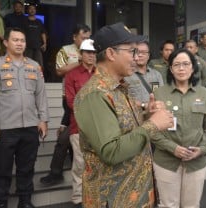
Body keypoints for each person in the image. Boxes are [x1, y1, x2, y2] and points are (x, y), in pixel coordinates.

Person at [73, 22, 174, 208]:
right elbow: (111, 151)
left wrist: (147, 116)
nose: (136, 58)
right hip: (113, 199)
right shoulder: (95, 95)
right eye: (131, 51)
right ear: (111, 53)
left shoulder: (120, 88)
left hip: (135, 196)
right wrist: (153, 125)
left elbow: (126, 129)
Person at [0, 27, 49, 208]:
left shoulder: (34, 66)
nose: (20, 43)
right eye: (15, 40)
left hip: (29, 127)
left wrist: (43, 119)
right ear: (6, 43)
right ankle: (1, 203)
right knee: (2, 170)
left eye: (22, 40)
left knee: (26, 169)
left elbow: (41, 96)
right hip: (4, 129)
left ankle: (25, 202)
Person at [152, 48, 206, 208]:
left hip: (196, 162)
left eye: (186, 64)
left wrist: (202, 149)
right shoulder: (159, 93)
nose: (181, 68)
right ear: (171, 69)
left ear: (193, 68)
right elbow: (152, 129)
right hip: (166, 162)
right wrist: (172, 148)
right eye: (177, 65)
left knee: (192, 205)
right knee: (168, 205)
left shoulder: (204, 93)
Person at [39, 24, 91, 186]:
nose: (86, 41)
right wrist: (80, 62)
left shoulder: (93, 50)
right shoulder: (65, 50)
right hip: (69, 97)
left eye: (88, 38)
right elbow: (59, 71)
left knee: (65, 135)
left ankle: (58, 170)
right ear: (74, 37)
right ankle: (57, 171)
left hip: (90, 102)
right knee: (67, 135)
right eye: (83, 38)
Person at [64, 38, 96, 208]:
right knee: (80, 165)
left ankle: (94, 198)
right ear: (81, 54)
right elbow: (71, 102)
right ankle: (78, 199)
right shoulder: (72, 75)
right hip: (79, 127)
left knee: (98, 164)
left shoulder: (101, 74)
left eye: (93, 52)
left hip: (101, 128)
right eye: (87, 52)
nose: (91, 56)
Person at [24, 3, 47, 68]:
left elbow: (43, 33)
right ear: (28, 10)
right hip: (27, 47)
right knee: (27, 65)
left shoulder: (39, 22)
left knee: (39, 66)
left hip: (37, 47)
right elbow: (21, 33)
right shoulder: (24, 20)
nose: (32, 10)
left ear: (35, 10)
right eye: (30, 9)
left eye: (33, 9)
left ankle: (38, 78)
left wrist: (45, 43)